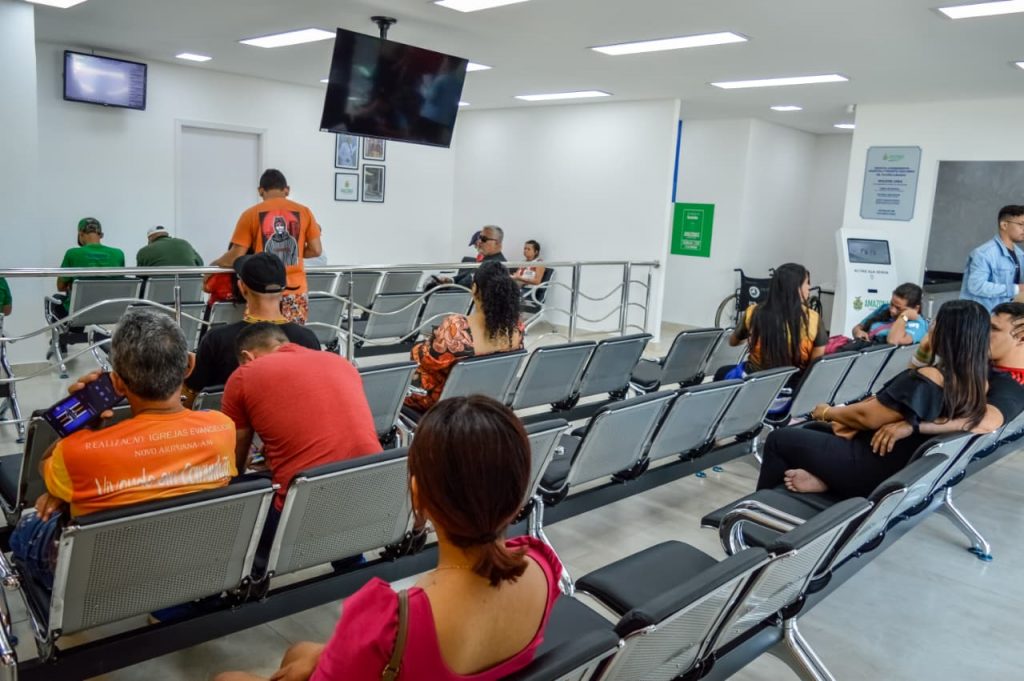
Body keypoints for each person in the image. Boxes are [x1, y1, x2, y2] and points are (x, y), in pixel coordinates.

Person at [214, 395, 562, 681]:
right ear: (518, 489)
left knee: (227, 678)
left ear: (419, 496)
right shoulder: (542, 565)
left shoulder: (395, 620)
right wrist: (321, 657)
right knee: (300, 652)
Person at [757, 300, 996, 499]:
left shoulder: (932, 378)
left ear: (947, 334)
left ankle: (761, 512)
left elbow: (867, 417)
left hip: (871, 465)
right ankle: (825, 480)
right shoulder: (976, 382)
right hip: (898, 464)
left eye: (935, 324)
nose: (931, 328)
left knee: (780, 439)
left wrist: (827, 412)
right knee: (812, 429)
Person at [30, 308, 235, 526]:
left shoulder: (78, 455)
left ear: (117, 383)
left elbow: (43, 465)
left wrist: (86, 420)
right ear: (190, 365)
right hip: (195, 543)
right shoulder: (222, 429)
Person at [222, 323, 380, 529]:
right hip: (374, 497)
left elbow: (234, 458)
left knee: (226, 505)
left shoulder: (244, 375)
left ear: (246, 357)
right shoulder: (340, 362)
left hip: (302, 514)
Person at [871, 301, 1024, 454]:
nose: (983, 333)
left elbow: (989, 421)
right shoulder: (981, 365)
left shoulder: (1013, 383)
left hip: (901, 450)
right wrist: (924, 351)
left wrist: (913, 426)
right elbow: (910, 391)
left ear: (1021, 338)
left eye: (994, 328)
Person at [184, 253, 319, 404]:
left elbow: (194, 393)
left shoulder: (216, 340)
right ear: (284, 287)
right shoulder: (308, 339)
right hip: (288, 417)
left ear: (242, 287)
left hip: (228, 418)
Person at [405, 261, 524, 412]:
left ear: (474, 288)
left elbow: (428, 361)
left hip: (450, 404)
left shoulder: (457, 327)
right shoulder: (516, 328)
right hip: (489, 401)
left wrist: (422, 346)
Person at [213, 169, 323, 323]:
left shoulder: (250, 214)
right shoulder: (304, 212)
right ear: (287, 190)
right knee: (294, 336)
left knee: (260, 336)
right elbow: (316, 250)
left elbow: (236, 256)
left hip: (262, 291)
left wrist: (214, 265)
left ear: (260, 191)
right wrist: (292, 252)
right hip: (295, 290)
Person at [726, 263, 827, 374]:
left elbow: (733, 342)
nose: (809, 287)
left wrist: (753, 334)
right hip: (793, 382)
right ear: (796, 288)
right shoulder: (813, 319)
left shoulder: (753, 312)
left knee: (721, 372)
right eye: (807, 283)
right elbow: (814, 367)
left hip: (755, 379)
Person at [50, 217, 126, 319]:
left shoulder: (72, 253)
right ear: (101, 234)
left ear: (81, 234)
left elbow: (61, 287)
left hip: (79, 312)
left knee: (55, 299)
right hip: (110, 310)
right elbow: (119, 284)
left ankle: (73, 329)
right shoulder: (118, 254)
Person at [959, 205, 1024, 311]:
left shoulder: (1020, 254)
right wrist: (1016, 288)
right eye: (1021, 224)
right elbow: (976, 286)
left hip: (1004, 315)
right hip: (980, 316)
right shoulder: (984, 253)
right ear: (1004, 225)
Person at [851, 282, 928, 346]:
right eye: (891, 304)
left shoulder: (918, 325)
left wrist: (904, 316)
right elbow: (857, 328)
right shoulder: (885, 308)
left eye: (899, 308)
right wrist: (858, 332)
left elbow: (893, 341)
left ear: (915, 308)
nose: (892, 310)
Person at [136, 225, 203, 267]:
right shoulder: (185, 243)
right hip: (190, 284)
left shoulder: (144, 251)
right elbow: (200, 263)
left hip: (158, 285)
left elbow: (140, 277)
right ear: (167, 235)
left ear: (150, 238)